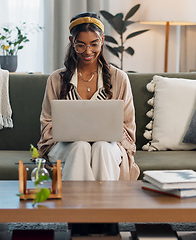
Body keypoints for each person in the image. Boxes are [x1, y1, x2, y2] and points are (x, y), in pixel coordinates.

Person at [37, 12, 139, 181]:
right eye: (81, 45)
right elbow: (46, 124)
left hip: (109, 146)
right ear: (72, 42)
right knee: (80, 147)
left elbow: (128, 126)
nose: (88, 51)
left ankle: (104, 205)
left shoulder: (119, 78)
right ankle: (75, 205)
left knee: (102, 148)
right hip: (65, 146)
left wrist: (105, 132)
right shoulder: (56, 79)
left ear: (102, 40)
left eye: (94, 44)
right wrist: (71, 133)